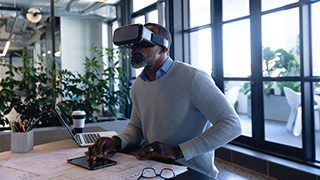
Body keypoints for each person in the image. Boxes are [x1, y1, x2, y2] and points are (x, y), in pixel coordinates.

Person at [87, 22, 241, 179]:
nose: (135, 49)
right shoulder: (139, 85)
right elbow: (136, 127)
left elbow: (232, 125)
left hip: (192, 171)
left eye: (143, 43)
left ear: (163, 48)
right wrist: (117, 141)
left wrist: (177, 151)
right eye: (133, 45)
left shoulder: (193, 78)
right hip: (155, 167)